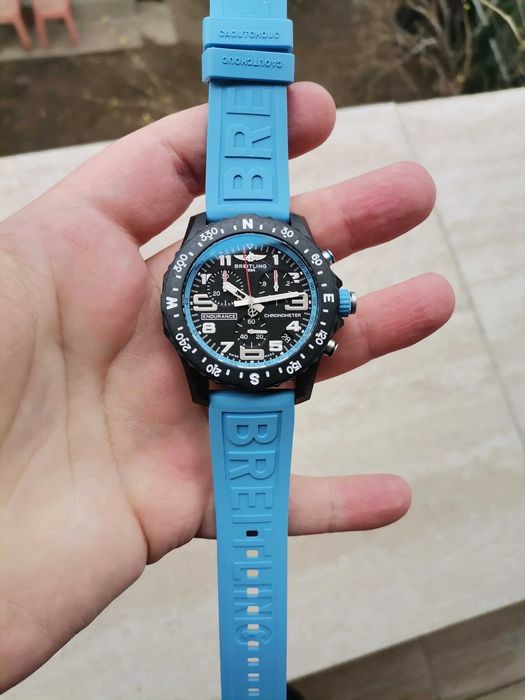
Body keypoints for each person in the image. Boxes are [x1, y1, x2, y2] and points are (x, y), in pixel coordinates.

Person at [0, 82, 455, 693]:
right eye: (242, 300)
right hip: (229, 368)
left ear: (333, 304)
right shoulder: (223, 277)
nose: (252, 307)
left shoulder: (252, 273)